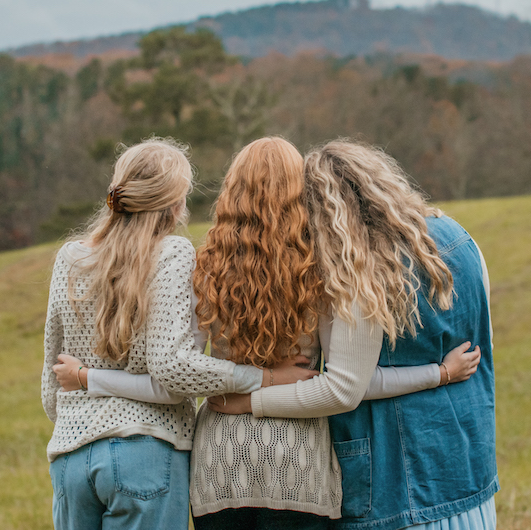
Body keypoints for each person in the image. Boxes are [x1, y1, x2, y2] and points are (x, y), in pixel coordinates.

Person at [54, 137, 481, 528]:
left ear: (231, 192)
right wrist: (438, 374)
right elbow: (349, 386)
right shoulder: (323, 272)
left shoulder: (206, 267)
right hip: (299, 472)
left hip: (216, 469)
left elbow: (179, 368)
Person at [209, 140, 497, 530]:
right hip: (467, 466)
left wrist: (251, 399)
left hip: (395, 482)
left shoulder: (356, 267)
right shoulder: (461, 238)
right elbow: (486, 345)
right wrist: (442, 373)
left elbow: (349, 384)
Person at [41, 138, 314, 530]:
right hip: (145, 454)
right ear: (173, 204)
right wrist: (266, 378)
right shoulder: (171, 254)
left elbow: (52, 384)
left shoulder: (70, 257)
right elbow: (173, 372)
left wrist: (84, 396)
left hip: (69, 457)